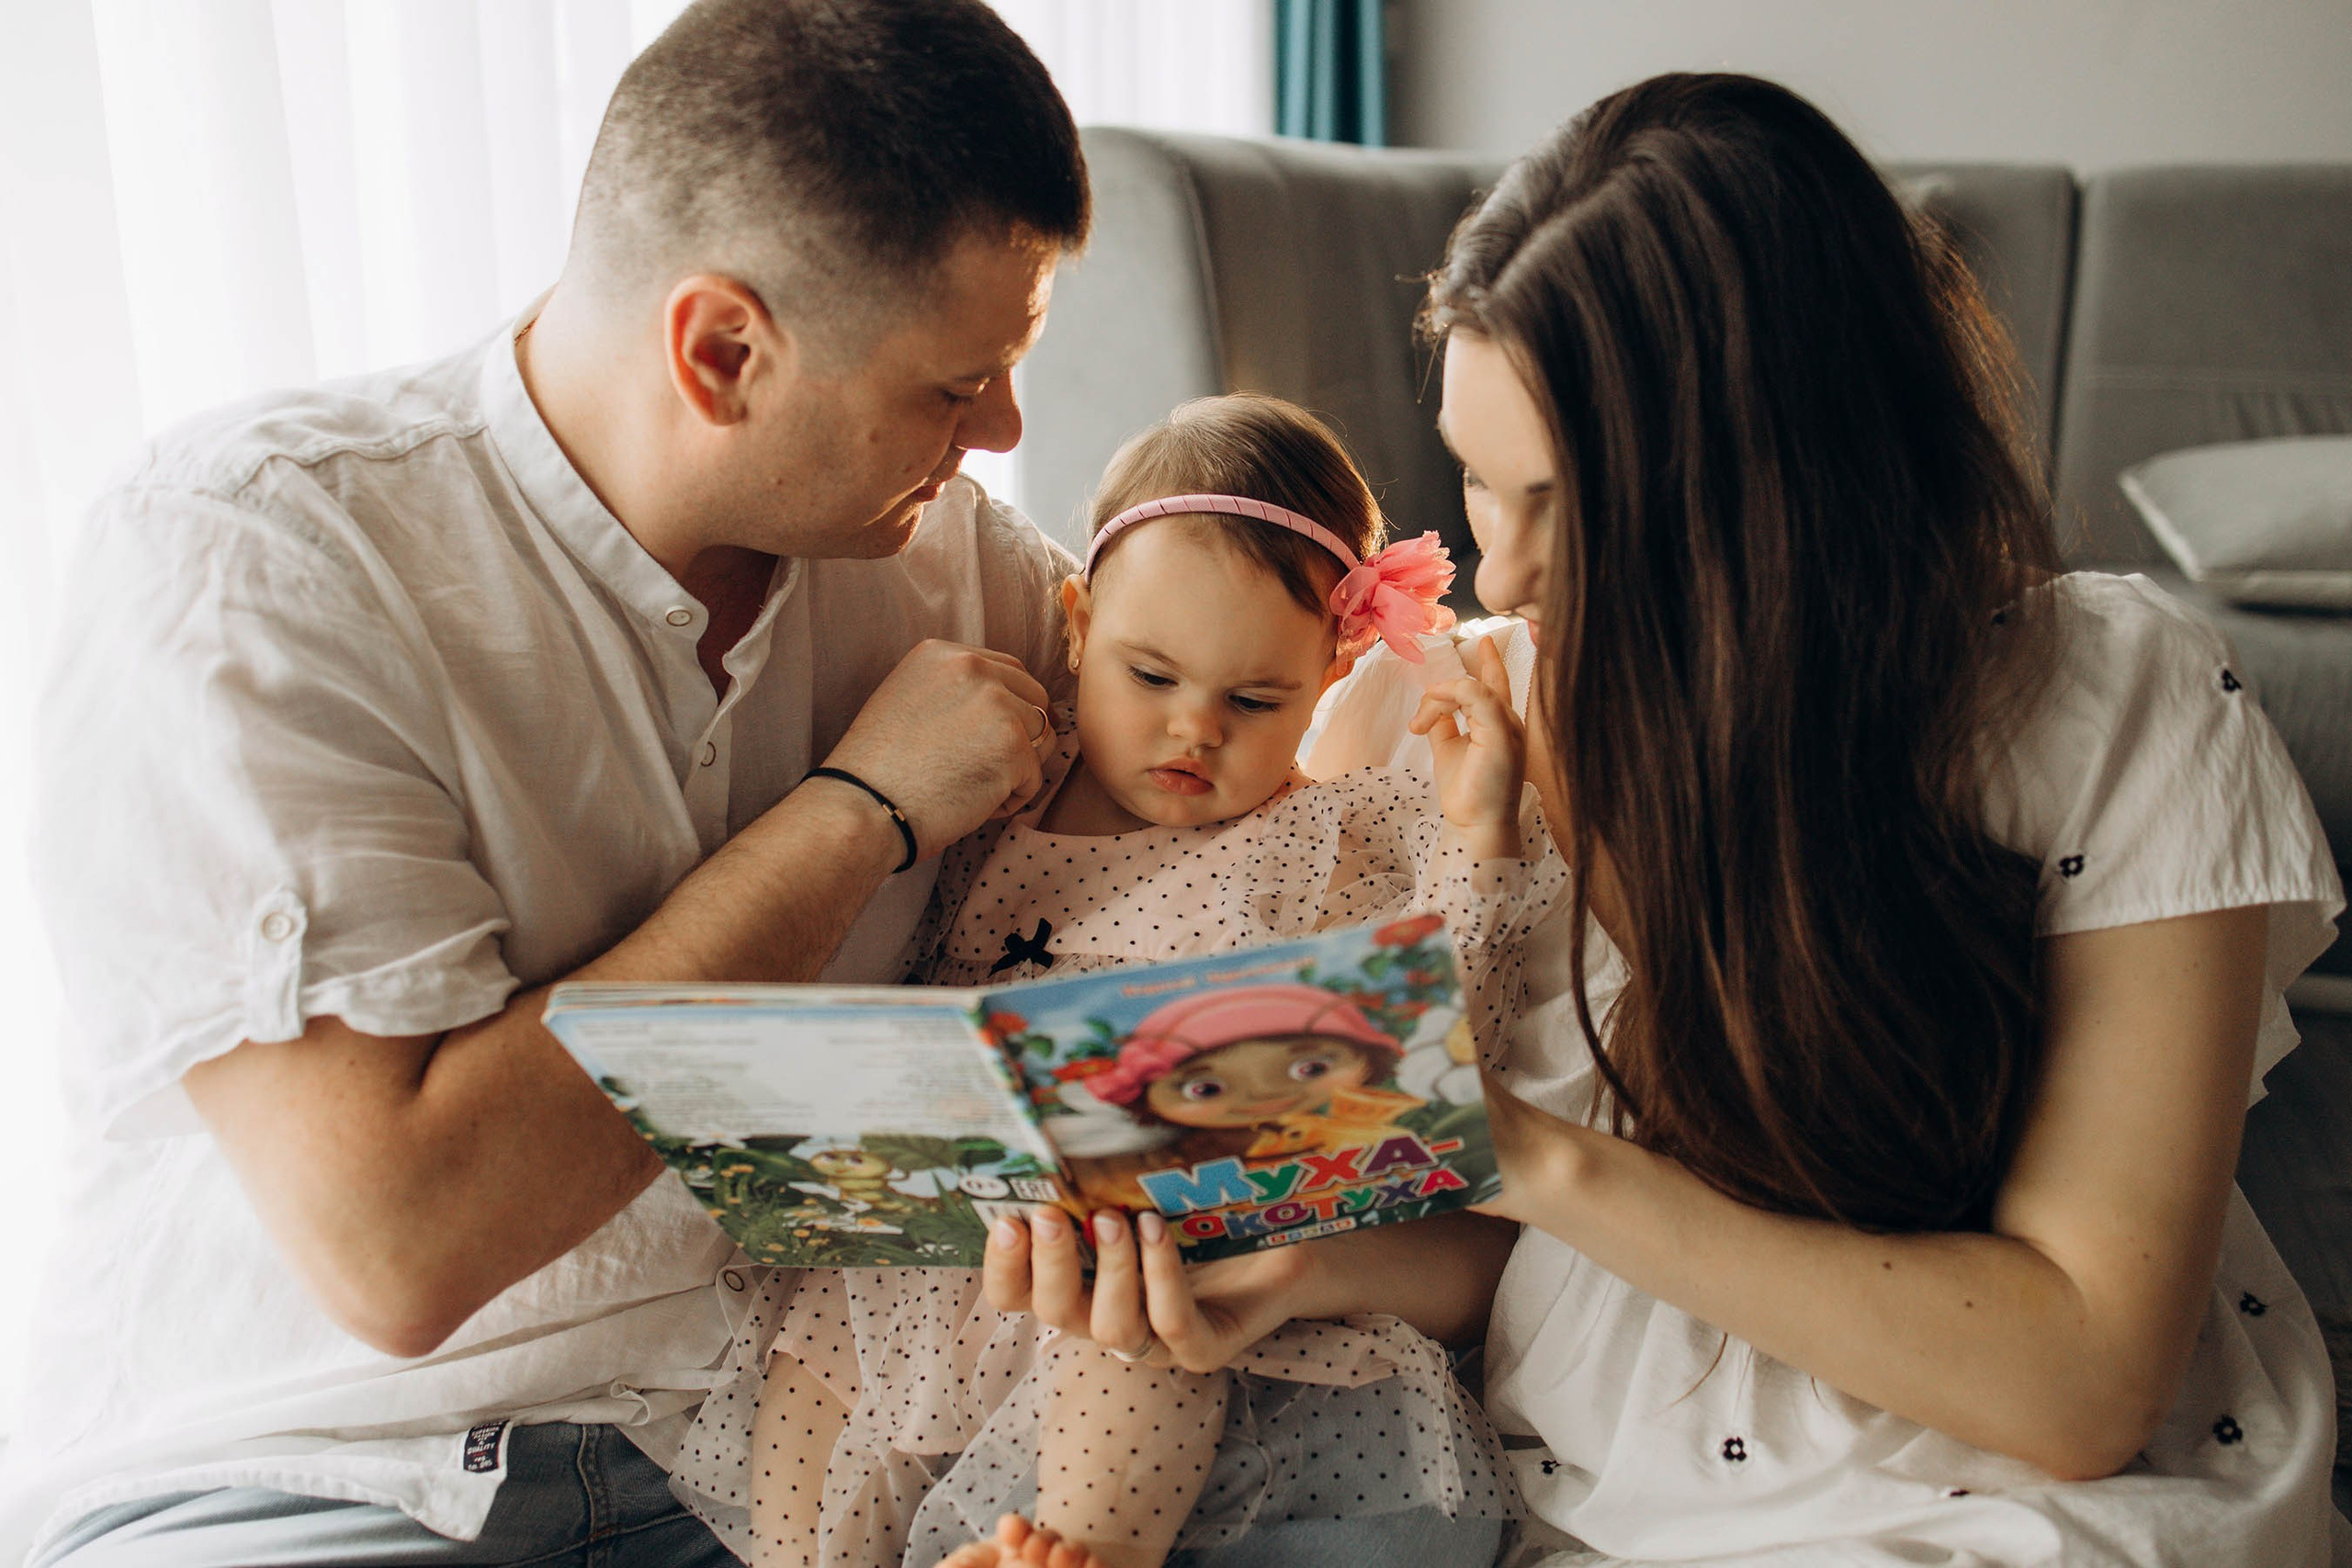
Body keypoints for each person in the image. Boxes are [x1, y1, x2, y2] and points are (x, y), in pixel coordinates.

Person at [992, 71, 2349, 1568]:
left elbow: (2081, 1381)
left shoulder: (2106, 695)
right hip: (1592, 1505)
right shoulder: (1466, 719)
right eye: (1477, 484)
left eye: (1566, 502)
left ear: (1780, 487)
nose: (1502, 577)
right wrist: (1297, 1269)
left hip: (2027, 1514)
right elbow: (1528, 1266)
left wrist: (1529, 1153)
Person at [5, 3, 1091, 1564]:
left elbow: (1270, 769)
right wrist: (856, 815)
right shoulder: (253, 559)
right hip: (328, 1471)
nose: (1004, 432)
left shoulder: (957, 564)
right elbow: (404, 1242)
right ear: (722, 350)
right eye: (953, 386)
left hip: (800, 1449)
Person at [673, 394, 1554, 1568]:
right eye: (1151, 676)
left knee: (1135, 1321)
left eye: (1253, 702)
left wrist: (1480, 833)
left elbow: (1439, 1048)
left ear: (1334, 668)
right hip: (937, 1255)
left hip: (1150, 1252)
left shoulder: (1327, 836)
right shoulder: (995, 796)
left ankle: (1085, 1551)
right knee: (808, 1378)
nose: (1193, 730)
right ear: (1079, 623)